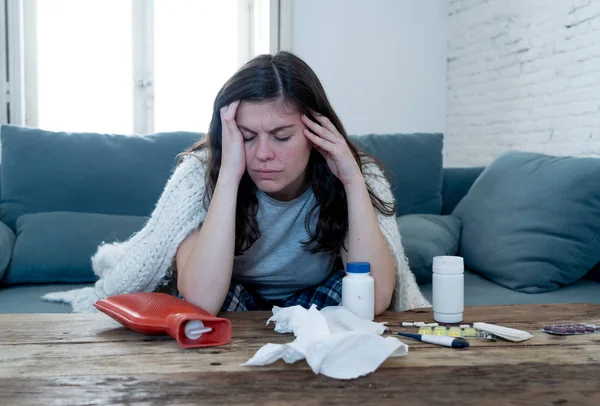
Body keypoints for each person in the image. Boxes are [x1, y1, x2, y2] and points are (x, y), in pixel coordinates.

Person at [42, 52, 428, 314]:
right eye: (246, 136)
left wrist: (351, 180)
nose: (262, 154)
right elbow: (202, 300)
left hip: (312, 300)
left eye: (281, 136)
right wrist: (229, 172)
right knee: (199, 308)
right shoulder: (201, 175)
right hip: (231, 298)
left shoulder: (351, 171)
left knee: (350, 296)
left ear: (314, 131)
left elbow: (374, 298)